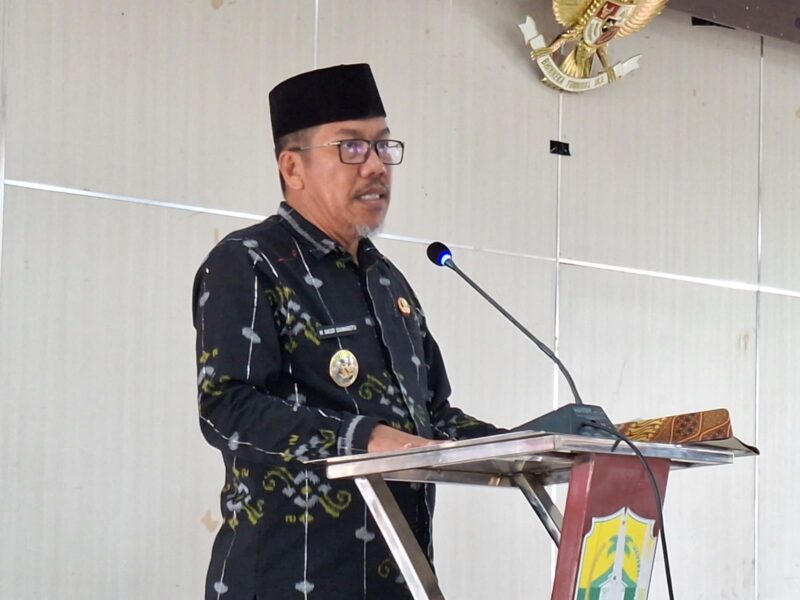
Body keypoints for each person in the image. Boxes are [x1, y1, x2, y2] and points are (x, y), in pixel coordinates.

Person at [193, 63, 500, 600]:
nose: (376, 166)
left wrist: (533, 446)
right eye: (352, 147)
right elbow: (228, 409)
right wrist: (363, 439)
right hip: (284, 582)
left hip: (400, 581)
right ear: (293, 167)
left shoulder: (388, 281)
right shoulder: (249, 262)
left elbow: (432, 419)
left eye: (383, 146)